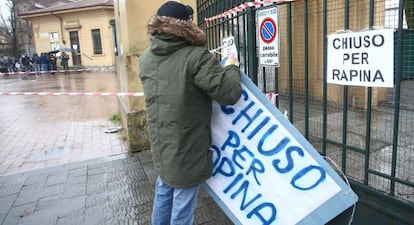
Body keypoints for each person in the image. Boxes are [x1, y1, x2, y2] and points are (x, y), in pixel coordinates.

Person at [139, 2, 241, 225]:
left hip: (162, 143)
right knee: (183, 206)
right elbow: (230, 93)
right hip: (187, 144)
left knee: (164, 189)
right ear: (186, 25)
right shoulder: (196, 57)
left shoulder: (146, 58)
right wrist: (232, 66)